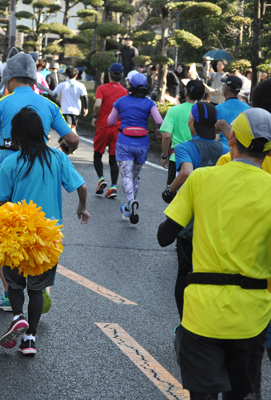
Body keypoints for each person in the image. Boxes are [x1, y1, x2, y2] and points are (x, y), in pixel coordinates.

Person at [157, 107, 271, 400]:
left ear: (230, 137)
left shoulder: (202, 179)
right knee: (242, 394)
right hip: (252, 315)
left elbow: (164, 236)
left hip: (201, 312)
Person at [0, 107, 89, 355]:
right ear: (42, 132)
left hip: (17, 233)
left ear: (17, 135)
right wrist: (82, 208)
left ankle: (18, 316)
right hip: (47, 237)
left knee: (15, 284)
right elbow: (81, 186)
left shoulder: (11, 162)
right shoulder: (59, 158)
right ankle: (30, 338)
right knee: (37, 288)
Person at [160, 102, 229, 319]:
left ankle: (184, 322)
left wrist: (169, 191)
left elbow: (187, 172)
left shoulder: (186, 148)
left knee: (185, 272)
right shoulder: (226, 151)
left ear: (192, 122)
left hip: (189, 224)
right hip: (217, 221)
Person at [0, 52, 79, 172]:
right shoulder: (50, 105)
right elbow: (73, 140)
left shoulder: (0, 104)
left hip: (8, 174)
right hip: (38, 174)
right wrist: (68, 146)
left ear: (9, 77)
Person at [107, 72, 162, 224]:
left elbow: (110, 121)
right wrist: (158, 131)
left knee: (126, 176)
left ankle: (131, 202)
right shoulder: (149, 103)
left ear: (129, 85)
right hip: (142, 143)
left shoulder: (121, 101)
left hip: (125, 142)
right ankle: (128, 208)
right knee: (135, 176)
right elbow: (159, 120)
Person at [92, 63, 127, 198]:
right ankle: (113, 187)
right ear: (122, 76)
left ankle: (101, 179)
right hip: (117, 129)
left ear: (109, 74)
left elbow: (98, 104)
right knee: (113, 159)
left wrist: (95, 116)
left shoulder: (102, 88)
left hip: (103, 126)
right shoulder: (125, 92)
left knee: (97, 155)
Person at [160, 80, 205, 185]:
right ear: (202, 95)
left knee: (173, 196)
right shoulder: (204, 112)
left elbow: (166, 136)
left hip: (176, 158)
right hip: (198, 159)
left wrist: (164, 155)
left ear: (186, 92)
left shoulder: (174, 110)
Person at [214, 75, 249, 146]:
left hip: (224, 150)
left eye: (224, 85)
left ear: (226, 88)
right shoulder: (248, 109)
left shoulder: (218, 108)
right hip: (242, 150)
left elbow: (214, 135)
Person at [53, 66, 88, 137]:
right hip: (76, 110)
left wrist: (57, 103)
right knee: (73, 127)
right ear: (76, 75)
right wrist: (86, 108)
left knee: (67, 127)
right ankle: (73, 142)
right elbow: (85, 97)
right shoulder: (80, 85)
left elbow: (54, 94)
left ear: (66, 75)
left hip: (65, 109)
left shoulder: (62, 85)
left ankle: (67, 142)